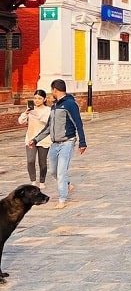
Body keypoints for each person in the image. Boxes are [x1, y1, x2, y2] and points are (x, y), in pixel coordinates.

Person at [30, 79, 87, 209]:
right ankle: (67, 184)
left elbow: (78, 123)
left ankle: (62, 199)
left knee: (61, 171)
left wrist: (82, 142)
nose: (51, 93)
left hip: (67, 142)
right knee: (53, 171)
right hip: (54, 144)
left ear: (55, 90)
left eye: (52, 91)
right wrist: (35, 140)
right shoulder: (55, 106)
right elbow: (49, 127)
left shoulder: (70, 104)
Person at [18, 89, 51, 189]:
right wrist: (26, 113)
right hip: (30, 138)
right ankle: (33, 181)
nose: (37, 100)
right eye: (35, 98)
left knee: (42, 162)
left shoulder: (48, 110)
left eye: (39, 98)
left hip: (43, 139)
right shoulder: (30, 109)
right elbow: (20, 121)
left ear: (44, 99)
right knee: (30, 160)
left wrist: (36, 114)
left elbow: (47, 121)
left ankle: (42, 181)